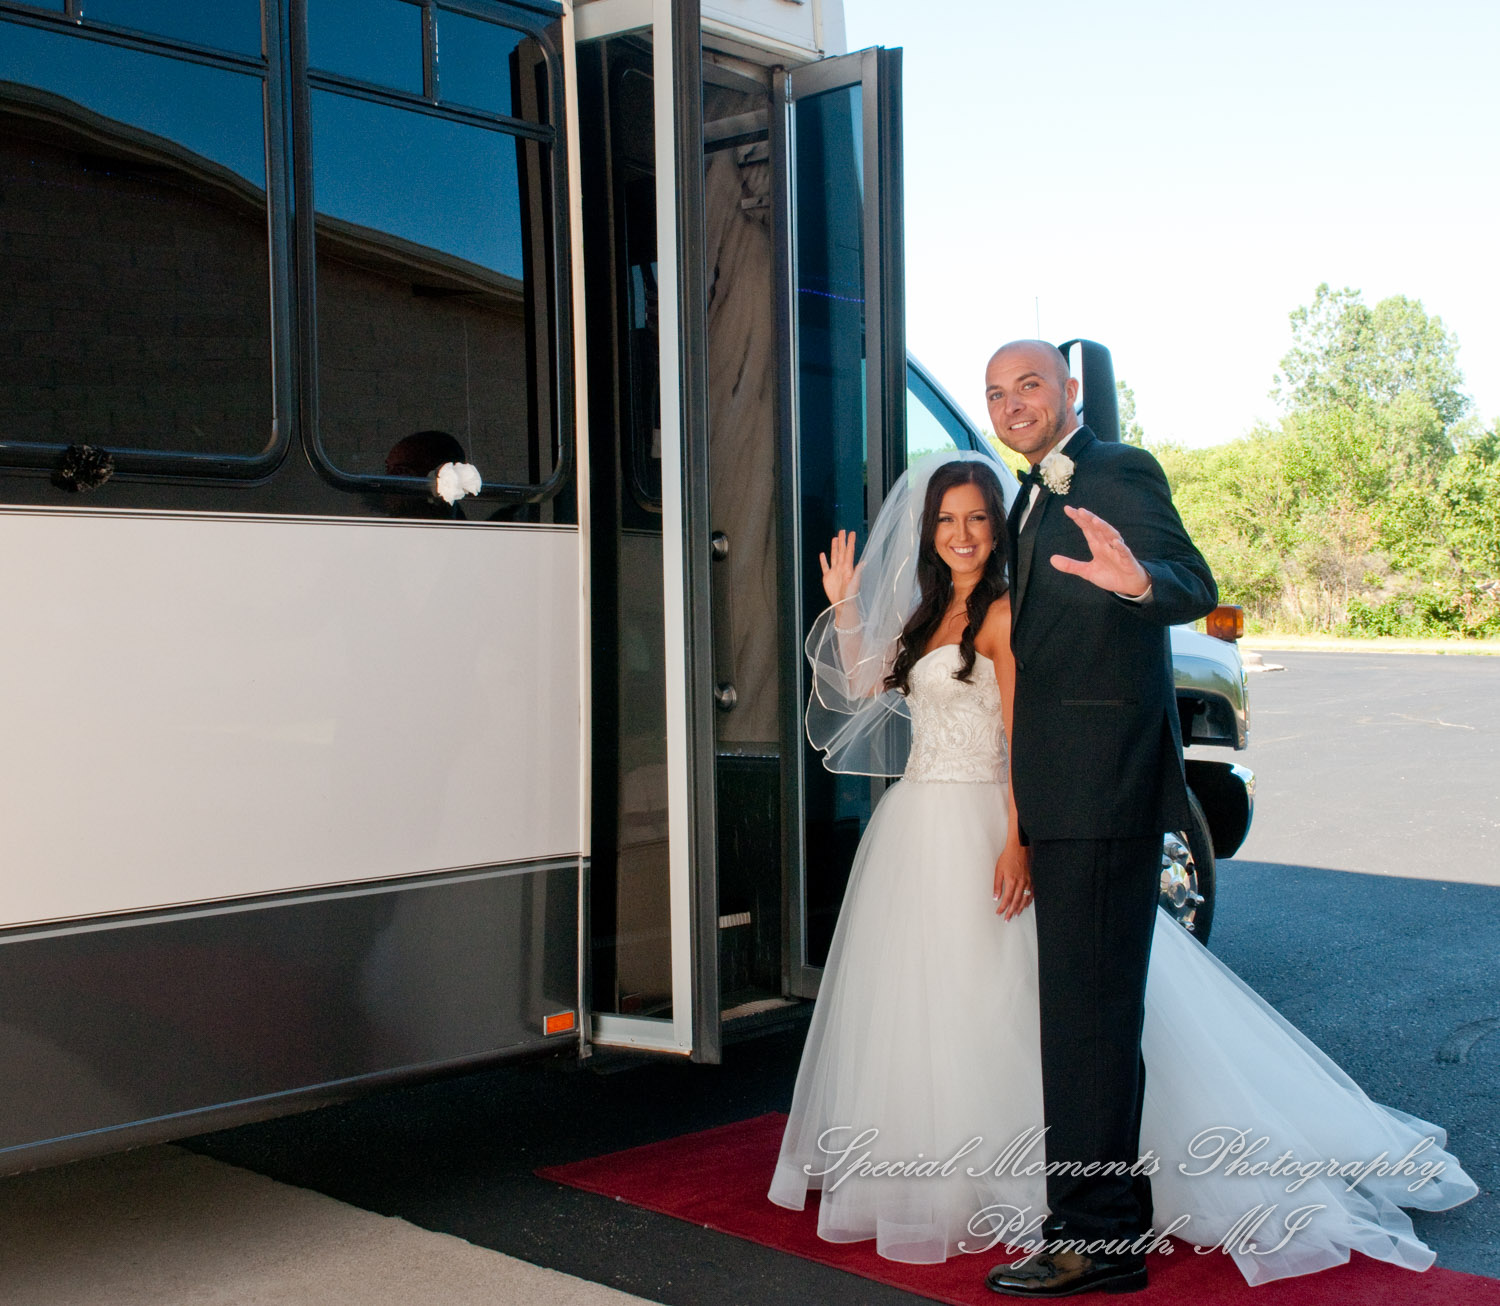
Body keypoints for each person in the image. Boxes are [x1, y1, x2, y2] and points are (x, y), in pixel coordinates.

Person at [767, 447, 1475, 1289]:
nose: (962, 535)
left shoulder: (1004, 613)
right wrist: (847, 608)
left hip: (990, 820)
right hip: (916, 824)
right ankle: (939, 1170)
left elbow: (1026, 734)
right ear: (931, 534)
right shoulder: (927, 614)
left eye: (977, 520)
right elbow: (857, 684)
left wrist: (1019, 841)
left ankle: (1052, 1189)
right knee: (932, 1000)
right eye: (947, 522)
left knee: (1027, 1005)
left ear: (999, 530)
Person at [985, 339, 1215, 1296]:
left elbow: (1189, 582)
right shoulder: (1033, 490)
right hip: (1066, 792)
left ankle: (1094, 1241)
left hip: (1101, 786)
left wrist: (1133, 583)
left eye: (1030, 384)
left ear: (1070, 391)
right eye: (996, 393)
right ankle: (1105, 1228)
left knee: (1085, 1023)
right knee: (1089, 1020)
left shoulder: (1115, 468)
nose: (1013, 404)